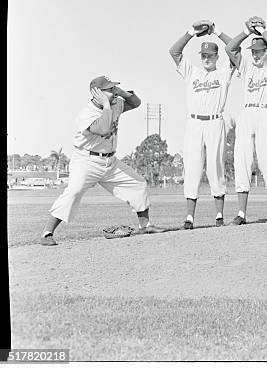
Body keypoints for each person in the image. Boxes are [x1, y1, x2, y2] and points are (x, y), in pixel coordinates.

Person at [40, 76, 164, 246]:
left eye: (113, 88)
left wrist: (121, 92)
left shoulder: (116, 103)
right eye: (109, 89)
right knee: (73, 192)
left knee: (137, 184)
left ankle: (145, 226)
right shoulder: (87, 113)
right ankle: (47, 233)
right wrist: (106, 105)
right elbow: (104, 128)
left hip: (110, 161)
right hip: (86, 161)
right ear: (96, 92)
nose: (113, 92)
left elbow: (136, 103)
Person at [169, 19, 236, 229]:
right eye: (204, 56)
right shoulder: (192, 72)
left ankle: (219, 216)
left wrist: (216, 32)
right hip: (194, 123)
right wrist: (191, 31)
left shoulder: (223, 72)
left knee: (216, 168)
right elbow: (174, 51)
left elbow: (236, 49)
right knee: (193, 168)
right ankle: (189, 217)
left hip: (216, 121)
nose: (206, 58)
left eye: (210, 55)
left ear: (217, 56)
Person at [225, 16, 267, 225]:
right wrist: (247, 31)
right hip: (248, 112)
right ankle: (241, 214)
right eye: (253, 52)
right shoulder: (248, 67)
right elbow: (230, 49)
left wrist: (262, 30)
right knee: (241, 160)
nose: (256, 55)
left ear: (266, 51)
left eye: (259, 51)